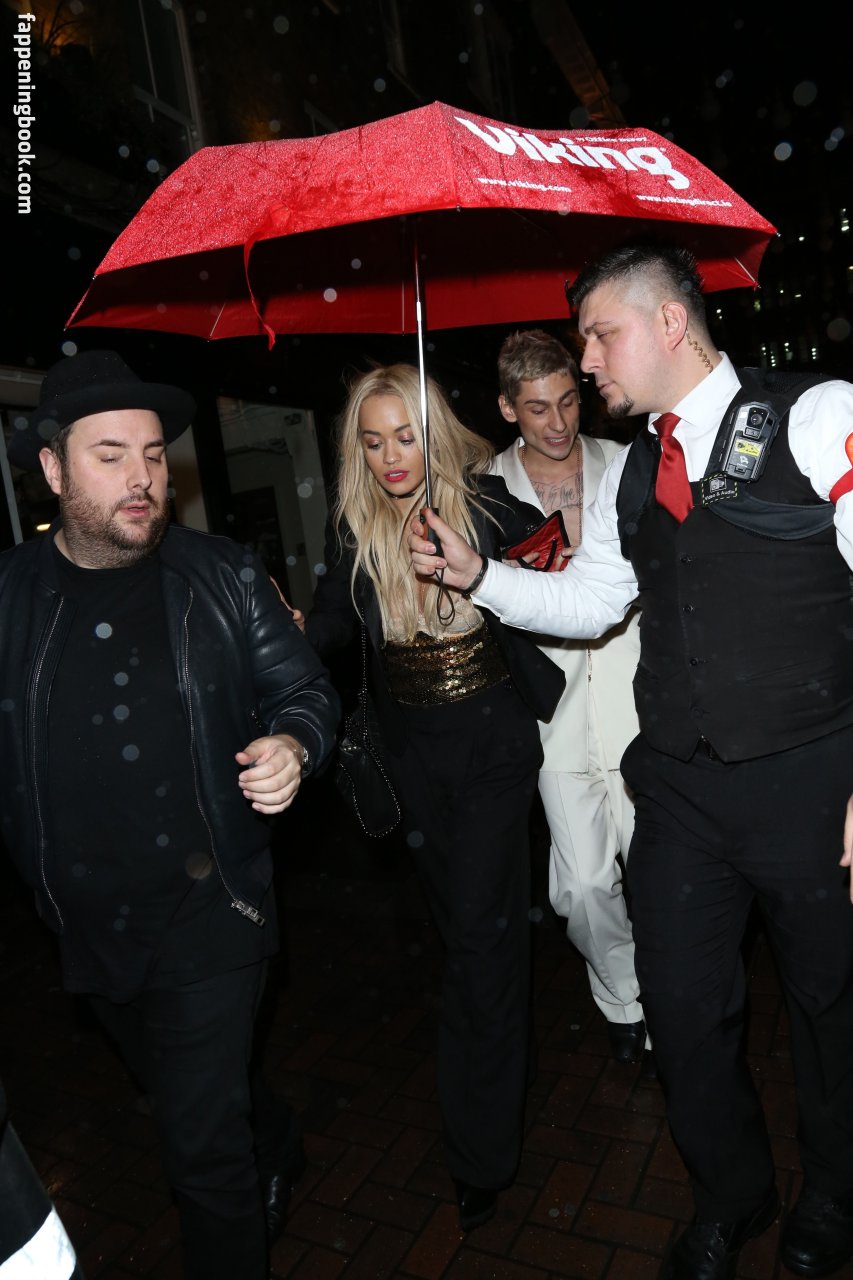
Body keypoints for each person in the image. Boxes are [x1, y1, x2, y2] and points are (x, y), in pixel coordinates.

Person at [408, 242, 853, 1280]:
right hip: (682, 789)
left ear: (668, 323)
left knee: (828, 1006)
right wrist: (479, 576)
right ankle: (731, 1193)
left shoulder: (815, 412)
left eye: (600, 335)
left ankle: (835, 1189)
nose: (588, 360)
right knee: (681, 1007)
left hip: (811, 778)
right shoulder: (633, 472)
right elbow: (594, 602)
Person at [0, 349, 340, 1280]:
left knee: (199, 1153)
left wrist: (294, 744)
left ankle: (244, 1158)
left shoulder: (221, 574)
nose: (142, 476)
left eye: (152, 455)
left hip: (211, 909)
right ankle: (273, 1134)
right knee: (186, 1088)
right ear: (54, 470)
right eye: (110, 455)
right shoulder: (9, 598)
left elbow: (304, 690)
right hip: (88, 926)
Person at [303, 362, 565, 1232]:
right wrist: (287, 632)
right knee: (467, 932)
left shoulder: (485, 505)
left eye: (406, 436)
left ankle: (479, 1150)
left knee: (479, 947)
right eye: (373, 441)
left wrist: (486, 562)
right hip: (412, 756)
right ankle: (507, 1062)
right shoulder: (354, 528)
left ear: (434, 434)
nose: (390, 456)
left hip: (491, 745)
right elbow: (331, 626)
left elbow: (558, 575)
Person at [491, 329, 650, 1071]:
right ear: (507, 409)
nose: (556, 423)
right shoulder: (480, 488)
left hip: (636, 697)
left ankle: (665, 1002)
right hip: (549, 710)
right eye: (536, 408)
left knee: (656, 870)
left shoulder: (626, 464)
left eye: (566, 402)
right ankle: (622, 995)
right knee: (583, 886)